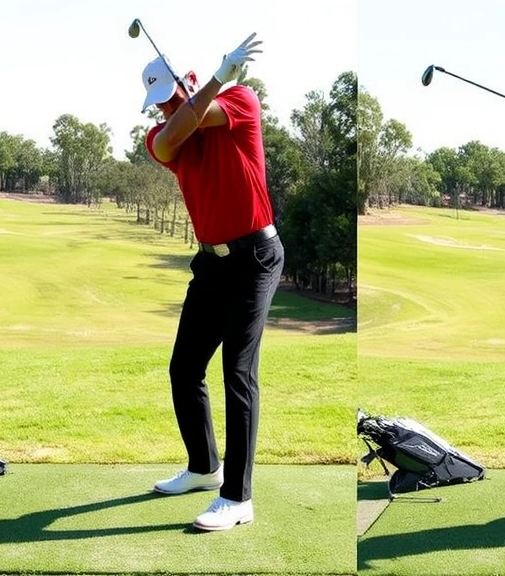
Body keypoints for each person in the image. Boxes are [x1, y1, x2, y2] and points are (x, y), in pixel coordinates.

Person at [138, 33, 285, 532]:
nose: (164, 111)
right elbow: (172, 135)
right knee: (184, 368)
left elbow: (204, 115)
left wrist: (219, 83)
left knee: (237, 372)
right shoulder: (163, 139)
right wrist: (217, 77)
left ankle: (238, 498)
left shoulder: (240, 100)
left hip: (256, 258)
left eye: (169, 98)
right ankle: (204, 468)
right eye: (158, 105)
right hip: (211, 265)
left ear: (188, 84)